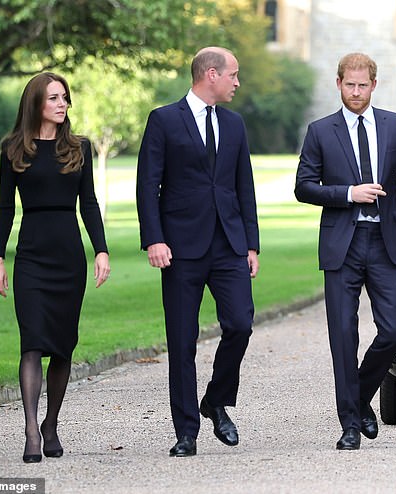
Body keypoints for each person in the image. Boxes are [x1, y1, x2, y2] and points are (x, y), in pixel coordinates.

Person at [295, 52, 396, 450]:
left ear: (374, 85)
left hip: (386, 243)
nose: (356, 92)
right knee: (342, 336)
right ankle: (349, 425)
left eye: (363, 86)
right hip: (342, 244)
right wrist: (347, 194)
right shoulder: (320, 131)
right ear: (338, 84)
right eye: (349, 85)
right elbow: (304, 186)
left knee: (394, 329)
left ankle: (358, 398)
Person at [136, 46, 260, 458]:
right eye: (234, 75)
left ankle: (215, 399)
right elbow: (147, 185)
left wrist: (251, 243)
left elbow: (244, 187)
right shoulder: (163, 120)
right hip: (180, 248)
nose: (237, 82)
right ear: (211, 74)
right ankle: (186, 431)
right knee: (183, 341)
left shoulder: (236, 124)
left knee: (240, 323)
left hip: (228, 245)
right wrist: (154, 238)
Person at [0, 73, 110, 463]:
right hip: (31, 256)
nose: (62, 104)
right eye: (54, 98)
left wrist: (102, 251)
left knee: (62, 345)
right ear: (36, 103)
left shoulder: (79, 147)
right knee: (32, 342)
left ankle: (51, 424)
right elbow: (5, 207)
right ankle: (30, 430)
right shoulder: (13, 149)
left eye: (65, 98)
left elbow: (89, 203)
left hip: (68, 257)